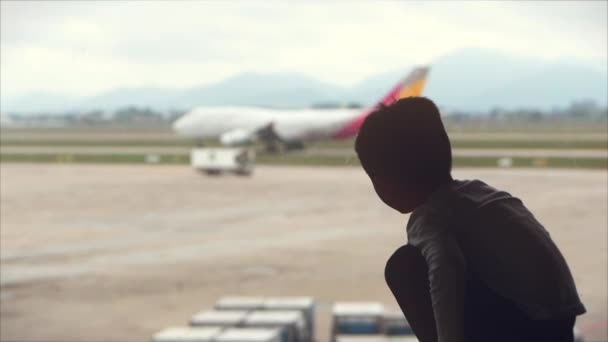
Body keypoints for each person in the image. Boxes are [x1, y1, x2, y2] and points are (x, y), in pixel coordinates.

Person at [354, 97, 586, 342]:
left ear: (388, 185)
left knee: (404, 266)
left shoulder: (433, 217)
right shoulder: (482, 194)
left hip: (530, 329)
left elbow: (446, 272)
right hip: (561, 319)